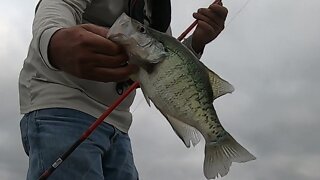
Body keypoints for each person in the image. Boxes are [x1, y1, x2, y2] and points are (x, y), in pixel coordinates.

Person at [19, 0, 228, 179]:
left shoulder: (158, 7)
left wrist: (198, 42)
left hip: (118, 124)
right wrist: (54, 39)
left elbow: (164, 64)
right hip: (63, 106)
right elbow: (59, 4)